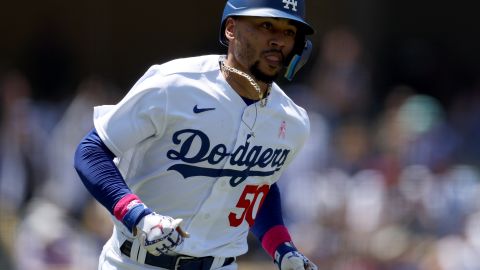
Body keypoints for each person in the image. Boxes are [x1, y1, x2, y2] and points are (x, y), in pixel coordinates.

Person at [74, 0, 318, 269]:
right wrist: (136, 214)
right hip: (134, 262)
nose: (278, 40)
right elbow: (92, 150)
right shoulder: (173, 84)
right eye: (266, 25)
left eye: (289, 32)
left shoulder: (293, 121)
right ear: (231, 29)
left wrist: (282, 248)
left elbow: (258, 185)